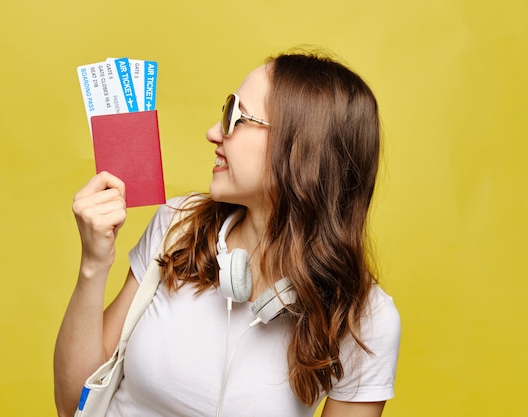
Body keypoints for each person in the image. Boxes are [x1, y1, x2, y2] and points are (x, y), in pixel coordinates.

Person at [54, 49, 401, 417]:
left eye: (235, 116)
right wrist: (94, 264)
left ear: (301, 148)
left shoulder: (366, 319)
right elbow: (71, 403)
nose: (213, 133)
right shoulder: (177, 224)